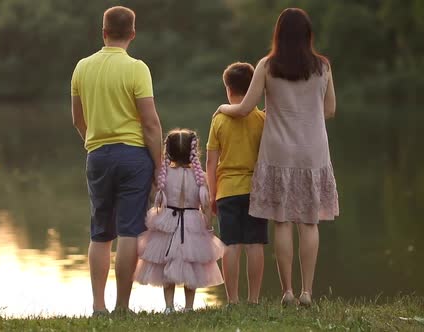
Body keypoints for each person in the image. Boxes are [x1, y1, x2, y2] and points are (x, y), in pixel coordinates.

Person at [216, 8, 339, 306]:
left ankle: (287, 291)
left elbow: (245, 108)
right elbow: (330, 110)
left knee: (282, 221)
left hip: (278, 152)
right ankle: (307, 291)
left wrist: (223, 109)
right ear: (308, 35)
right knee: (309, 223)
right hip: (312, 153)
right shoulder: (322, 67)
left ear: (278, 34)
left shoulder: (268, 66)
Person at [70, 6, 163, 315]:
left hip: (97, 155)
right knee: (128, 231)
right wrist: (159, 166)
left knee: (100, 232)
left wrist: (93, 142)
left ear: (103, 32)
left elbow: (77, 120)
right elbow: (150, 124)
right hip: (133, 156)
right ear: (132, 34)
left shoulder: (82, 67)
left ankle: (98, 306)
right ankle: (122, 307)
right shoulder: (137, 68)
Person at [135, 129, 224, 313]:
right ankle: (189, 306)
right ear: (194, 150)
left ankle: (169, 306)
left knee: (166, 262)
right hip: (193, 222)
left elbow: (155, 198)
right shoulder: (200, 177)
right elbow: (206, 206)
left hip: (168, 221)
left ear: (168, 151)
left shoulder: (164, 175)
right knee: (191, 264)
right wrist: (208, 227)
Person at [206, 62, 267, 305]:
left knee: (230, 244)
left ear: (229, 90)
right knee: (255, 243)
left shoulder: (219, 120)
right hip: (255, 189)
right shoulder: (261, 118)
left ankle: (232, 300)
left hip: (227, 191)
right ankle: (253, 299)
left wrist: (212, 194)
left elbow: (211, 163)